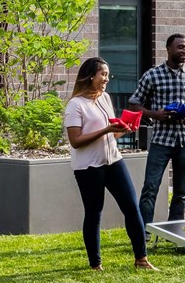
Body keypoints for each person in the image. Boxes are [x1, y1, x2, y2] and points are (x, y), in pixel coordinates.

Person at [64, 57, 156, 271]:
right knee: (94, 212)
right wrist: (106, 130)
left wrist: (123, 129)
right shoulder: (75, 105)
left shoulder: (104, 98)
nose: (107, 79)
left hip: (113, 160)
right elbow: (76, 141)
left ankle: (141, 259)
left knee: (132, 208)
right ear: (90, 76)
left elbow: (109, 137)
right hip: (89, 168)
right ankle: (95, 264)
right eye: (103, 74)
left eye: (107, 74)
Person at [129, 33, 185, 227]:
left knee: (181, 193)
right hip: (161, 140)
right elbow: (134, 104)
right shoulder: (153, 75)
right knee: (150, 188)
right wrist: (154, 114)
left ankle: (175, 232)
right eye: (180, 47)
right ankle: (144, 233)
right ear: (168, 49)